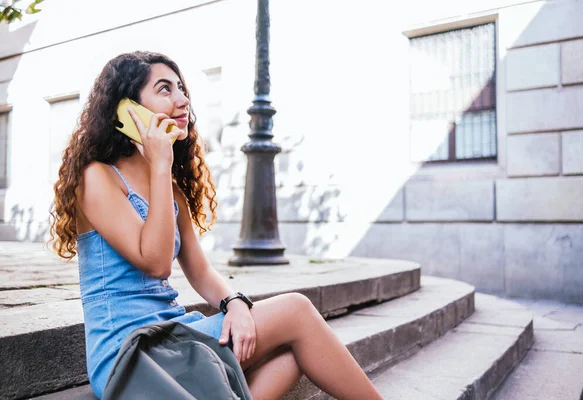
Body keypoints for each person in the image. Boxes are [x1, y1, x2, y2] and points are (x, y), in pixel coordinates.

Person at [49, 51, 383, 400]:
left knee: (292, 357)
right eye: (165, 89)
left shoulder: (170, 189)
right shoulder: (97, 177)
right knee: (297, 312)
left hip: (173, 332)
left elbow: (201, 270)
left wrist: (235, 303)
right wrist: (160, 165)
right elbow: (156, 261)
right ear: (127, 108)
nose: (182, 100)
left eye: (181, 88)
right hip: (130, 352)